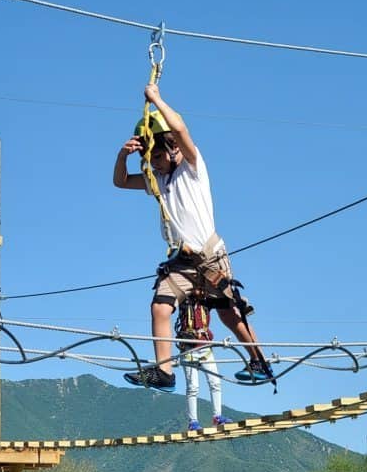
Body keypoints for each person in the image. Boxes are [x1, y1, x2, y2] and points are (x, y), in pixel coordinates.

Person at [113, 83, 273, 392]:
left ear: (173, 150)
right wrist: (123, 155)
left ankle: (259, 362)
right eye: (150, 158)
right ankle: (164, 372)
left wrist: (157, 100)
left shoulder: (192, 167)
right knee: (160, 306)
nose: (154, 162)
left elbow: (181, 128)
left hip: (209, 256)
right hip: (181, 262)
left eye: (157, 155)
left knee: (230, 313)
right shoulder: (158, 181)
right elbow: (120, 181)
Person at [176, 296, 228, 431]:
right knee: (193, 387)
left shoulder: (206, 301)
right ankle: (193, 422)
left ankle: (217, 416)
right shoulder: (183, 300)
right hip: (188, 347)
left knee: (215, 382)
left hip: (204, 347)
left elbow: (223, 301)